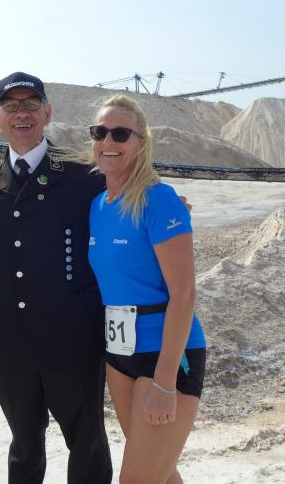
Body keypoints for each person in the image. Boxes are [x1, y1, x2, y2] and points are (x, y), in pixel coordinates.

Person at [0, 72, 112, 484]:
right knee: (24, 447)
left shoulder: (84, 174)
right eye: (11, 106)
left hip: (72, 339)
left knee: (87, 444)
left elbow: (123, 210)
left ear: (48, 112)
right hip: (8, 340)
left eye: (31, 104)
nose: (22, 114)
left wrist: (158, 201)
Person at [86, 95, 206, 484]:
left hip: (165, 354)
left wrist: (165, 381)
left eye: (121, 134)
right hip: (119, 354)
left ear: (141, 142)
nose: (108, 141)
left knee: (136, 480)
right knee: (161, 474)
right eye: (99, 132)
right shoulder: (97, 205)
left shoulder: (158, 199)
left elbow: (184, 294)